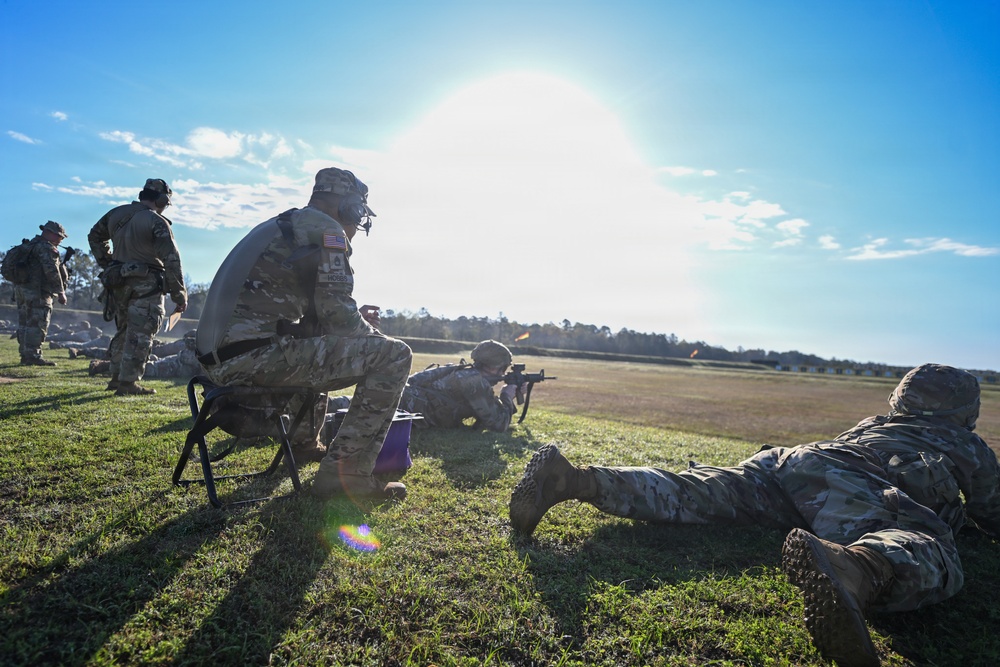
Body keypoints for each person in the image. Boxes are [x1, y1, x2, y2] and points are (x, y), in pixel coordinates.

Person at [509, 363, 1000, 667]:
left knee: (699, 491)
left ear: (902, 399)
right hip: (847, 480)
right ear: (964, 410)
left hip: (792, 463)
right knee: (925, 539)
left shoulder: (872, 424)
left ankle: (575, 480)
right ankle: (859, 567)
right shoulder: (965, 444)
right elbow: (991, 509)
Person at [195, 167, 412, 502]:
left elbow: (317, 317)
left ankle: (304, 443)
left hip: (222, 357)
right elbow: (339, 316)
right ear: (351, 207)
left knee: (315, 344)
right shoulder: (328, 230)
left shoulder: (281, 225)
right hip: (251, 358)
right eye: (358, 215)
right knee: (395, 355)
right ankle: (346, 476)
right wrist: (374, 338)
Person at [88, 178, 187, 396]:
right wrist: (179, 295)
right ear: (162, 200)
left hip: (118, 282)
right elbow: (171, 259)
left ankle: (116, 377)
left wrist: (108, 263)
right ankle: (128, 383)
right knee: (141, 333)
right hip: (147, 285)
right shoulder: (156, 221)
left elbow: (94, 236)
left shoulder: (116, 214)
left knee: (124, 330)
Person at [328, 340, 528, 432]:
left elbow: (483, 416)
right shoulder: (473, 381)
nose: (503, 372)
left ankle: (320, 406)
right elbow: (498, 424)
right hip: (403, 407)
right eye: (502, 368)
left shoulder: (465, 373)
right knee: (346, 414)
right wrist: (507, 396)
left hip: (401, 397)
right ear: (493, 366)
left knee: (348, 406)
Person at [12, 221, 69, 365]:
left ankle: (25, 354)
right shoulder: (46, 248)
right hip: (38, 292)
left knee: (24, 324)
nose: (60, 240)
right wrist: (61, 292)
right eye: (60, 237)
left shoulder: (29, 245)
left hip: (22, 290)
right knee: (37, 324)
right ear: (50, 233)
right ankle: (32, 356)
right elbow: (52, 271)